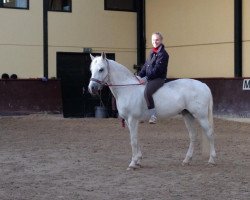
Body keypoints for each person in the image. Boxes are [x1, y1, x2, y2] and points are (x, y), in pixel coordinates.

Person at [138, 32, 169, 124]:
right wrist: (139, 76)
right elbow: (146, 66)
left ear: (161, 40)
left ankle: (153, 115)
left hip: (159, 79)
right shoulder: (152, 52)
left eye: (157, 40)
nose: (155, 42)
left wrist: (146, 78)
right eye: (153, 40)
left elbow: (157, 70)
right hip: (150, 77)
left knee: (147, 92)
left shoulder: (163, 54)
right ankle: (143, 114)